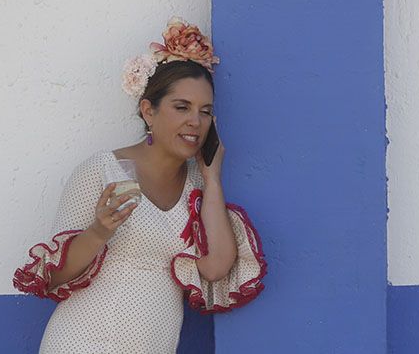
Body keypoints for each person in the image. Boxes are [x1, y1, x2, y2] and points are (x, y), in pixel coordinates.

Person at [15, 18, 266, 354]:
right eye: (181, 107)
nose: (195, 121)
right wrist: (100, 231)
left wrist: (212, 177)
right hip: (79, 343)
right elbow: (55, 277)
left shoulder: (198, 186)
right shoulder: (102, 170)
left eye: (205, 111)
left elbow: (216, 267)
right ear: (149, 110)